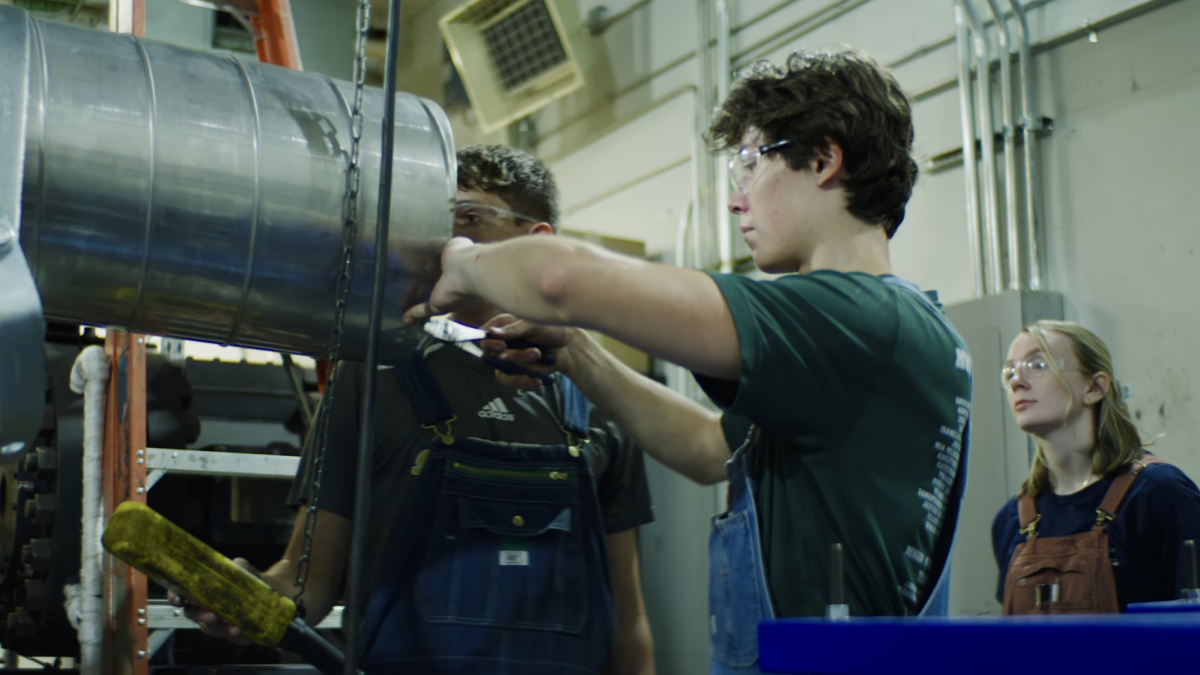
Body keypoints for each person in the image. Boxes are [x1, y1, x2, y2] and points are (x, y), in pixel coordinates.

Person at [406, 50, 973, 673]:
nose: (736, 199)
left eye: (751, 163)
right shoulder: (899, 327)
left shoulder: (852, 318)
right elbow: (709, 448)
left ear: (823, 159)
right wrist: (578, 354)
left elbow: (562, 278)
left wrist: (458, 261)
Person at [174, 145, 657, 675]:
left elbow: (627, 620)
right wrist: (254, 597)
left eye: (469, 218)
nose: (446, 243)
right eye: (435, 222)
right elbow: (308, 580)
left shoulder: (598, 397)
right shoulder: (372, 376)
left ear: (536, 242)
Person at [992, 320, 1200, 613]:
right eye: (1010, 371)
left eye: (1038, 365)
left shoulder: (1160, 495)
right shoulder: (1011, 520)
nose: (1016, 381)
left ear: (1094, 387)